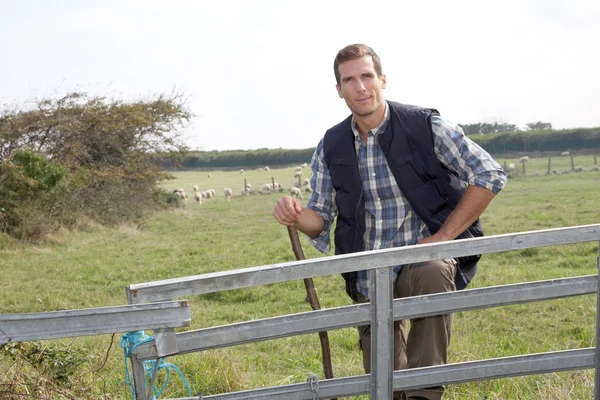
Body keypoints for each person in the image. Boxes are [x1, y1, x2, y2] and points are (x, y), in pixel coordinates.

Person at [272, 43, 506, 400]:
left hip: (419, 257)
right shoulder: (331, 145)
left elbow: (489, 173)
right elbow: (319, 219)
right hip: (368, 270)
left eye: (367, 76)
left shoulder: (424, 125)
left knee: (432, 270)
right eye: (349, 80)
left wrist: (445, 235)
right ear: (339, 90)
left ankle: (425, 395)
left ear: (382, 79)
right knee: (383, 381)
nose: (360, 87)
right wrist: (295, 215)